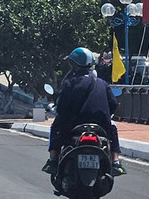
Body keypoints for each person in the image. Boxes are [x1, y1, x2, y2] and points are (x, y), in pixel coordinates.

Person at [43, 47, 124, 176]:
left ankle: (52, 160)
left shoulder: (69, 83)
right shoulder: (102, 83)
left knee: (56, 126)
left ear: (74, 64)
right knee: (112, 129)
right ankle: (116, 162)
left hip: (74, 124)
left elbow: (62, 106)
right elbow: (113, 104)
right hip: (100, 125)